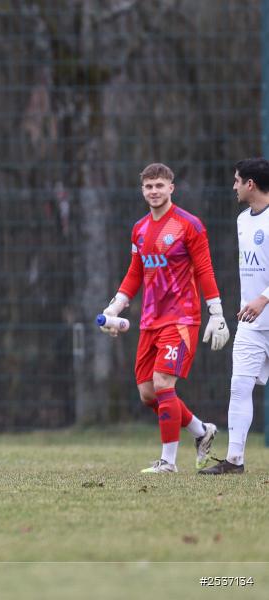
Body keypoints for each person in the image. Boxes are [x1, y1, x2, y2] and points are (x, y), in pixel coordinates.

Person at [100, 163, 227, 473]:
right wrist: (114, 308)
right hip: (149, 320)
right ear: (142, 190)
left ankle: (168, 463)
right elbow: (135, 273)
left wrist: (217, 312)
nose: (154, 191)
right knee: (147, 392)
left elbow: (205, 269)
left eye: (159, 185)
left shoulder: (189, 225)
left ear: (172, 187)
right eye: (148, 187)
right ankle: (201, 430)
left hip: (182, 319)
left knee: (162, 383)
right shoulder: (140, 229)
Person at [200, 158, 269, 474]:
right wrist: (250, 304)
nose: (234, 186)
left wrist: (264, 298)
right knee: (239, 386)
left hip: (261, 310)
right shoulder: (243, 220)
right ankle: (234, 460)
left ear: (250, 184)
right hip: (251, 325)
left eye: (237, 180)